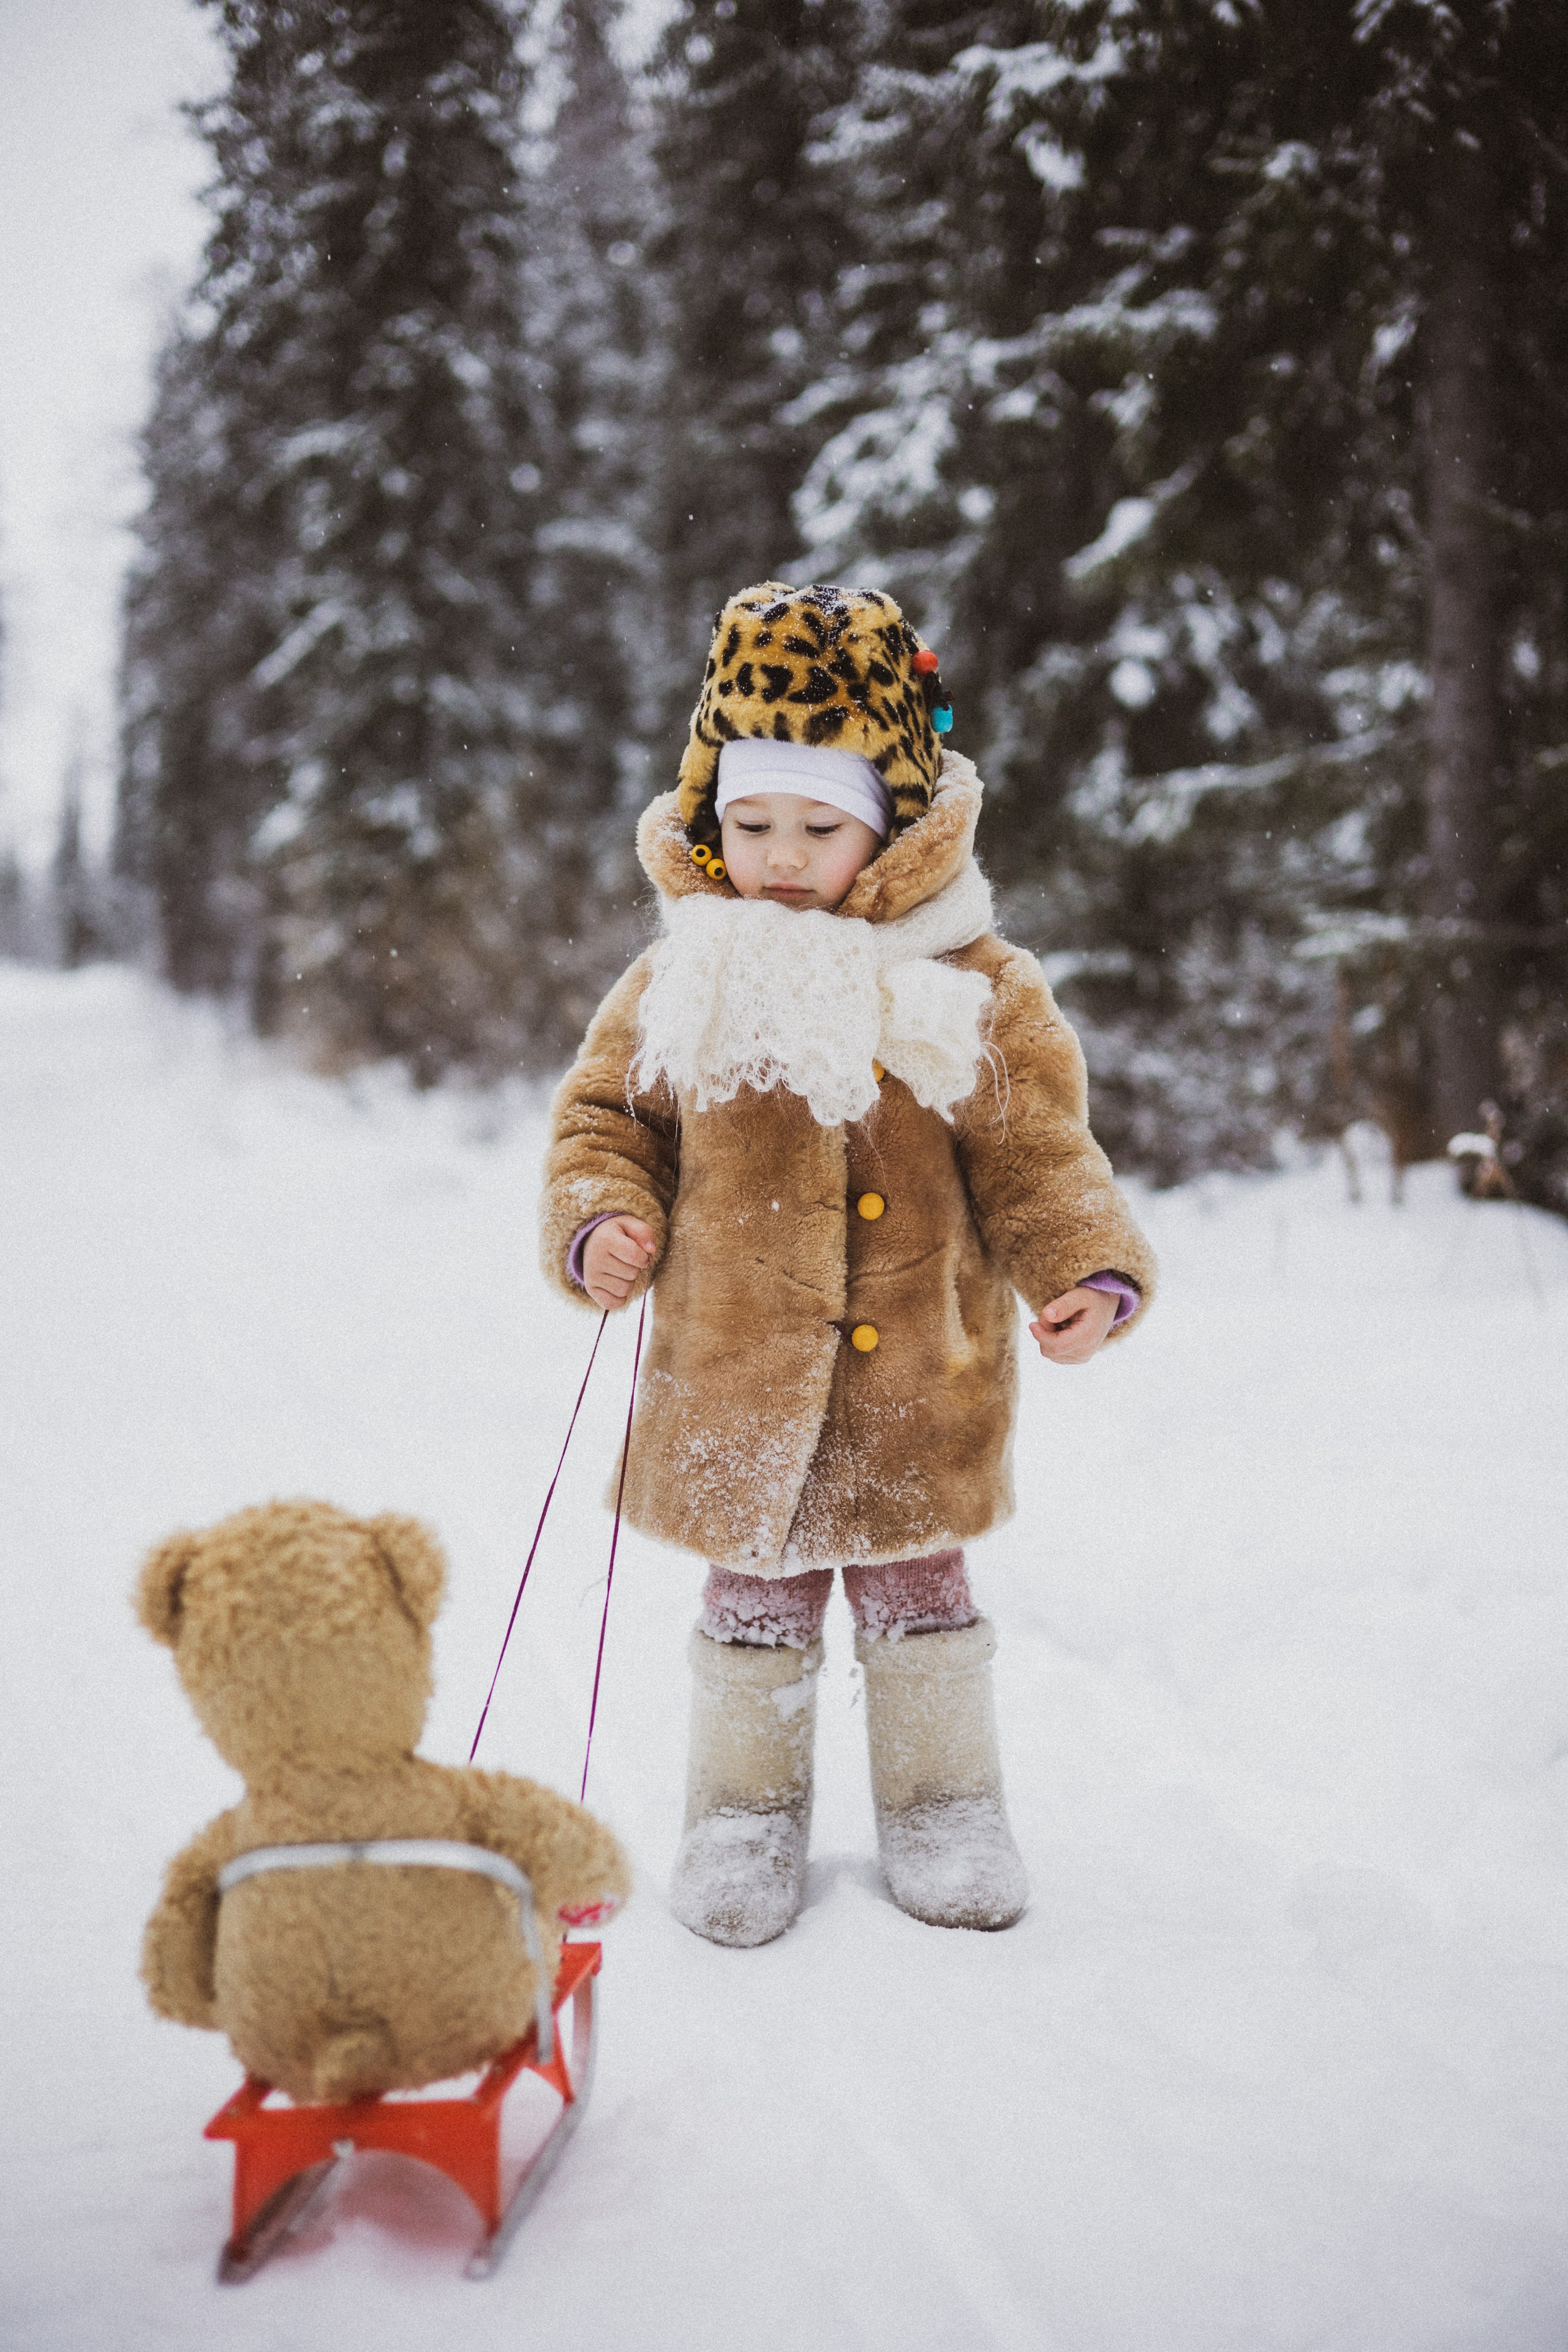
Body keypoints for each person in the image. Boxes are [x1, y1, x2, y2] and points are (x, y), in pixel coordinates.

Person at [540, 581, 1155, 1947]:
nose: (777, 854)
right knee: (752, 1596)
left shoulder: (972, 980)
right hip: (735, 1369)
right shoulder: (679, 976)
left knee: (919, 1597)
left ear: (889, 821)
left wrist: (1083, 1269)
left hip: (913, 1373)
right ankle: (740, 1816)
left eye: (817, 826)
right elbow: (606, 1120)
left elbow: (1039, 1154)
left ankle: (943, 1806)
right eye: (749, 823)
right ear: (713, 817)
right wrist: (598, 1219)